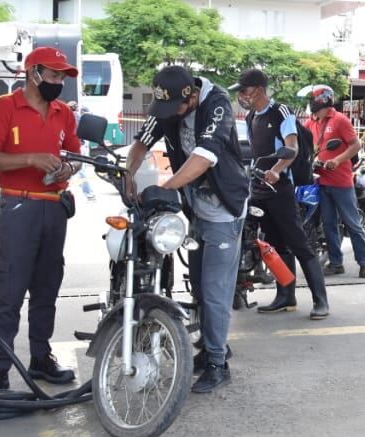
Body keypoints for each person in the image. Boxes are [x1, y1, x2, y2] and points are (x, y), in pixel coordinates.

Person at [123, 66, 251, 393]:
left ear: (192, 96)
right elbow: (141, 143)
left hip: (224, 209)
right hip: (195, 208)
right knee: (197, 285)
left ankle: (219, 364)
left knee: (215, 290)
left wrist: (166, 186)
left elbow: (203, 158)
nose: (171, 115)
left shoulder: (217, 104)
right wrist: (129, 175)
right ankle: (210, 347)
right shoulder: (170, 106)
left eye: (176, 108)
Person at [0, 46, 82, 392]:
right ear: (32, 73)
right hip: (19, 206)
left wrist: (69, 167)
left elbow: (77, 156)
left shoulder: (63, 112)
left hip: (54, 205)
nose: (58, 83)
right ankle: (0, 368)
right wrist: (30, 159)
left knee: (47, 287)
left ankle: (41, 358)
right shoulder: (4, 107)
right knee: (10, 288)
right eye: (53, 75)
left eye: (62, 77)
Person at [234, 69, 334, 318]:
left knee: (299, 244)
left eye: (244, 90)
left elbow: (292, 147)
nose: (242, 96)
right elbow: (255, 152)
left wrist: (277, 170)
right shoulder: (251, 117)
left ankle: (321, 301)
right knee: (274, 246)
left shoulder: (281, 112)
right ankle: (285, 296)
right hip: (258, 189)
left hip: (280, 188)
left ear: (258, 89)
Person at [302, 85, 365, 279]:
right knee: (328, 224)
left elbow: (356, 145)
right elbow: (304, 145)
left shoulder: (340, 120)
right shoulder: (311, 122)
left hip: (341, 181)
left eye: (314, 97)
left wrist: (337, 160)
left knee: (352, 224)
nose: (311, 102)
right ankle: (336, 263)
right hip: (321, 180)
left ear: (323, 99)